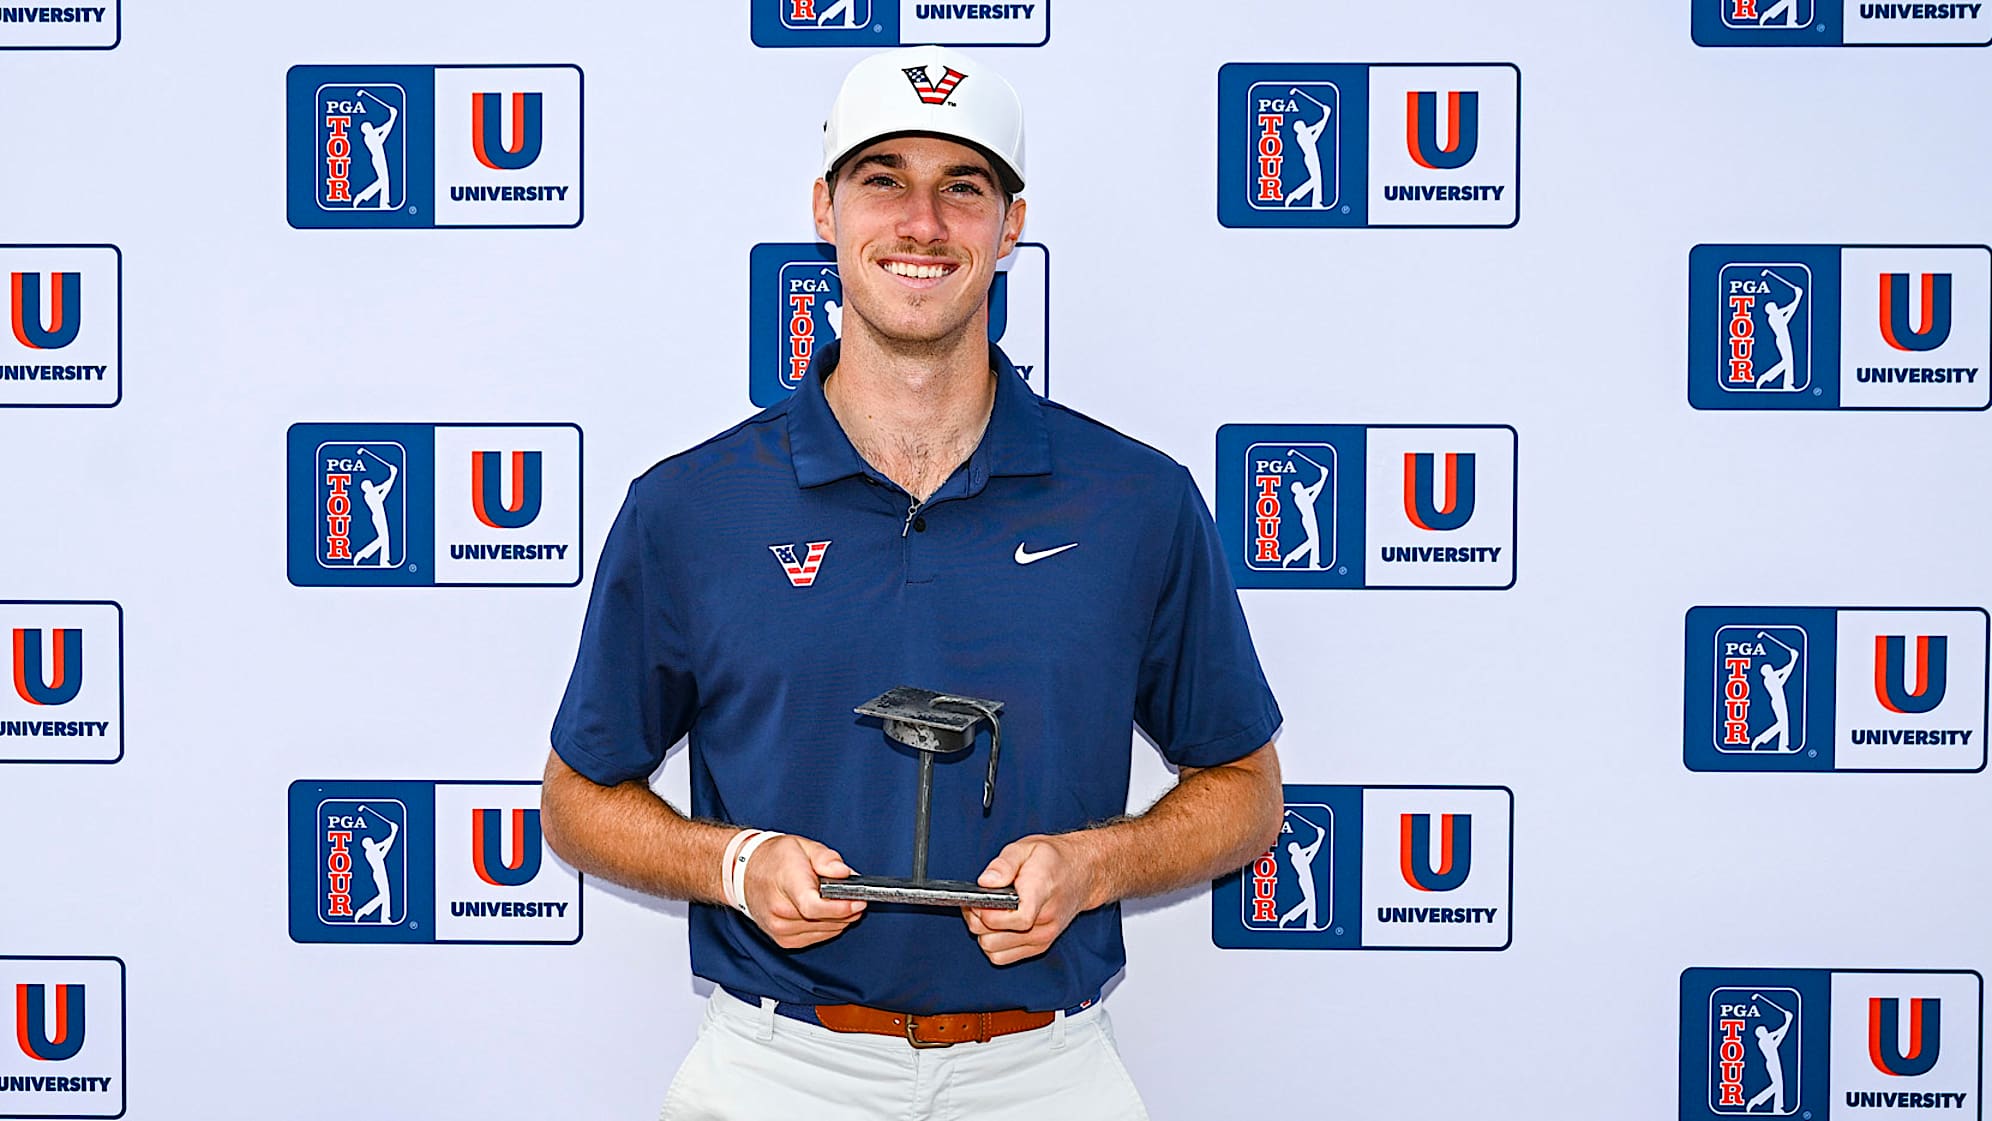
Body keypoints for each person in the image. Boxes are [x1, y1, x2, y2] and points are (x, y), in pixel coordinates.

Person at [542, 44, 1283, 1120]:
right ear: (826, 210)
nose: (922, 224)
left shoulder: (1136, 498)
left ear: (1010, 225)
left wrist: (1094, 864)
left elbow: (1247, 791)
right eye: (884, 179)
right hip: (777, 1066)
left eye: (962, 189)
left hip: (1045, 1070)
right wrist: (736, 863)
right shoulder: (690, 505)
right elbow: (576, 797)